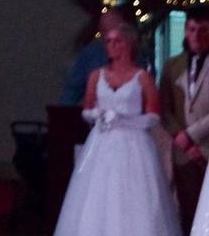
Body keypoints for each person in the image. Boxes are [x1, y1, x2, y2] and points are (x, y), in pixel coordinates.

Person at [52, 22, 179, 235]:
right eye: (108, 41)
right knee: (97, 193)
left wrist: (124, 120)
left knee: (132, 194)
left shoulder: (142, 77)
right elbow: (87, 109)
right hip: (102, 141)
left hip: (133, 144)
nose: (111, 46)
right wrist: (98, 115)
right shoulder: (97, 75)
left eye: (117, 41)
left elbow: (153, 116)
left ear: (128, 44)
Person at [162, 9, 209, 230]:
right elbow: (164, 107)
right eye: (192, 29)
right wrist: (181, 137)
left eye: (203, 30)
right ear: (185, 31)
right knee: (188, 211)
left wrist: (192, 135)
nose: (196, 35)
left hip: (206, 144)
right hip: (183, 152)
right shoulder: (172, 65)